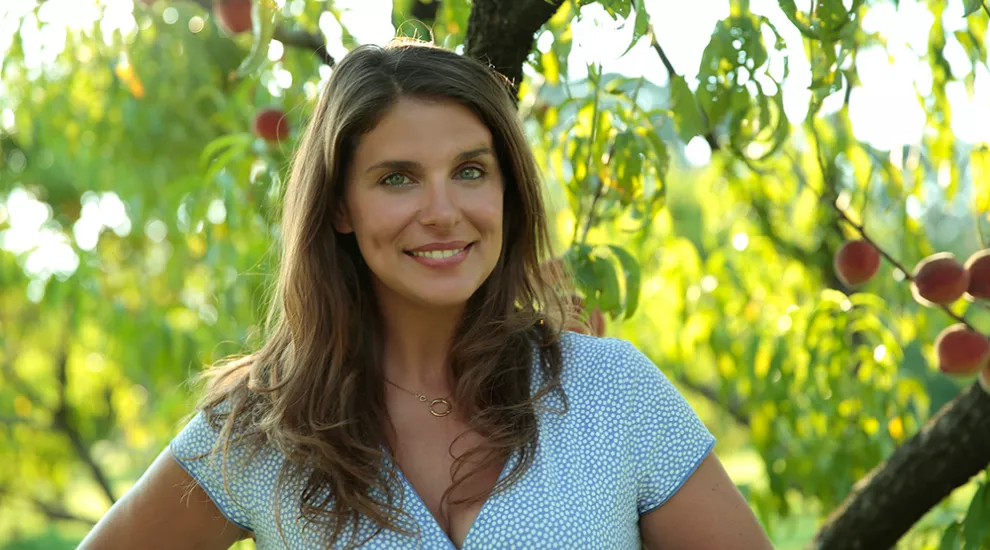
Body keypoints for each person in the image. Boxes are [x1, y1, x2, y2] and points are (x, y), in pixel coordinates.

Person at [79, 39, 774, 550]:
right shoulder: (264, 430)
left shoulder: (611, 393)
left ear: (508, 191)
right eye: (397, 178)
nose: (442, 210)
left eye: (470, 171)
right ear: (340, 206)